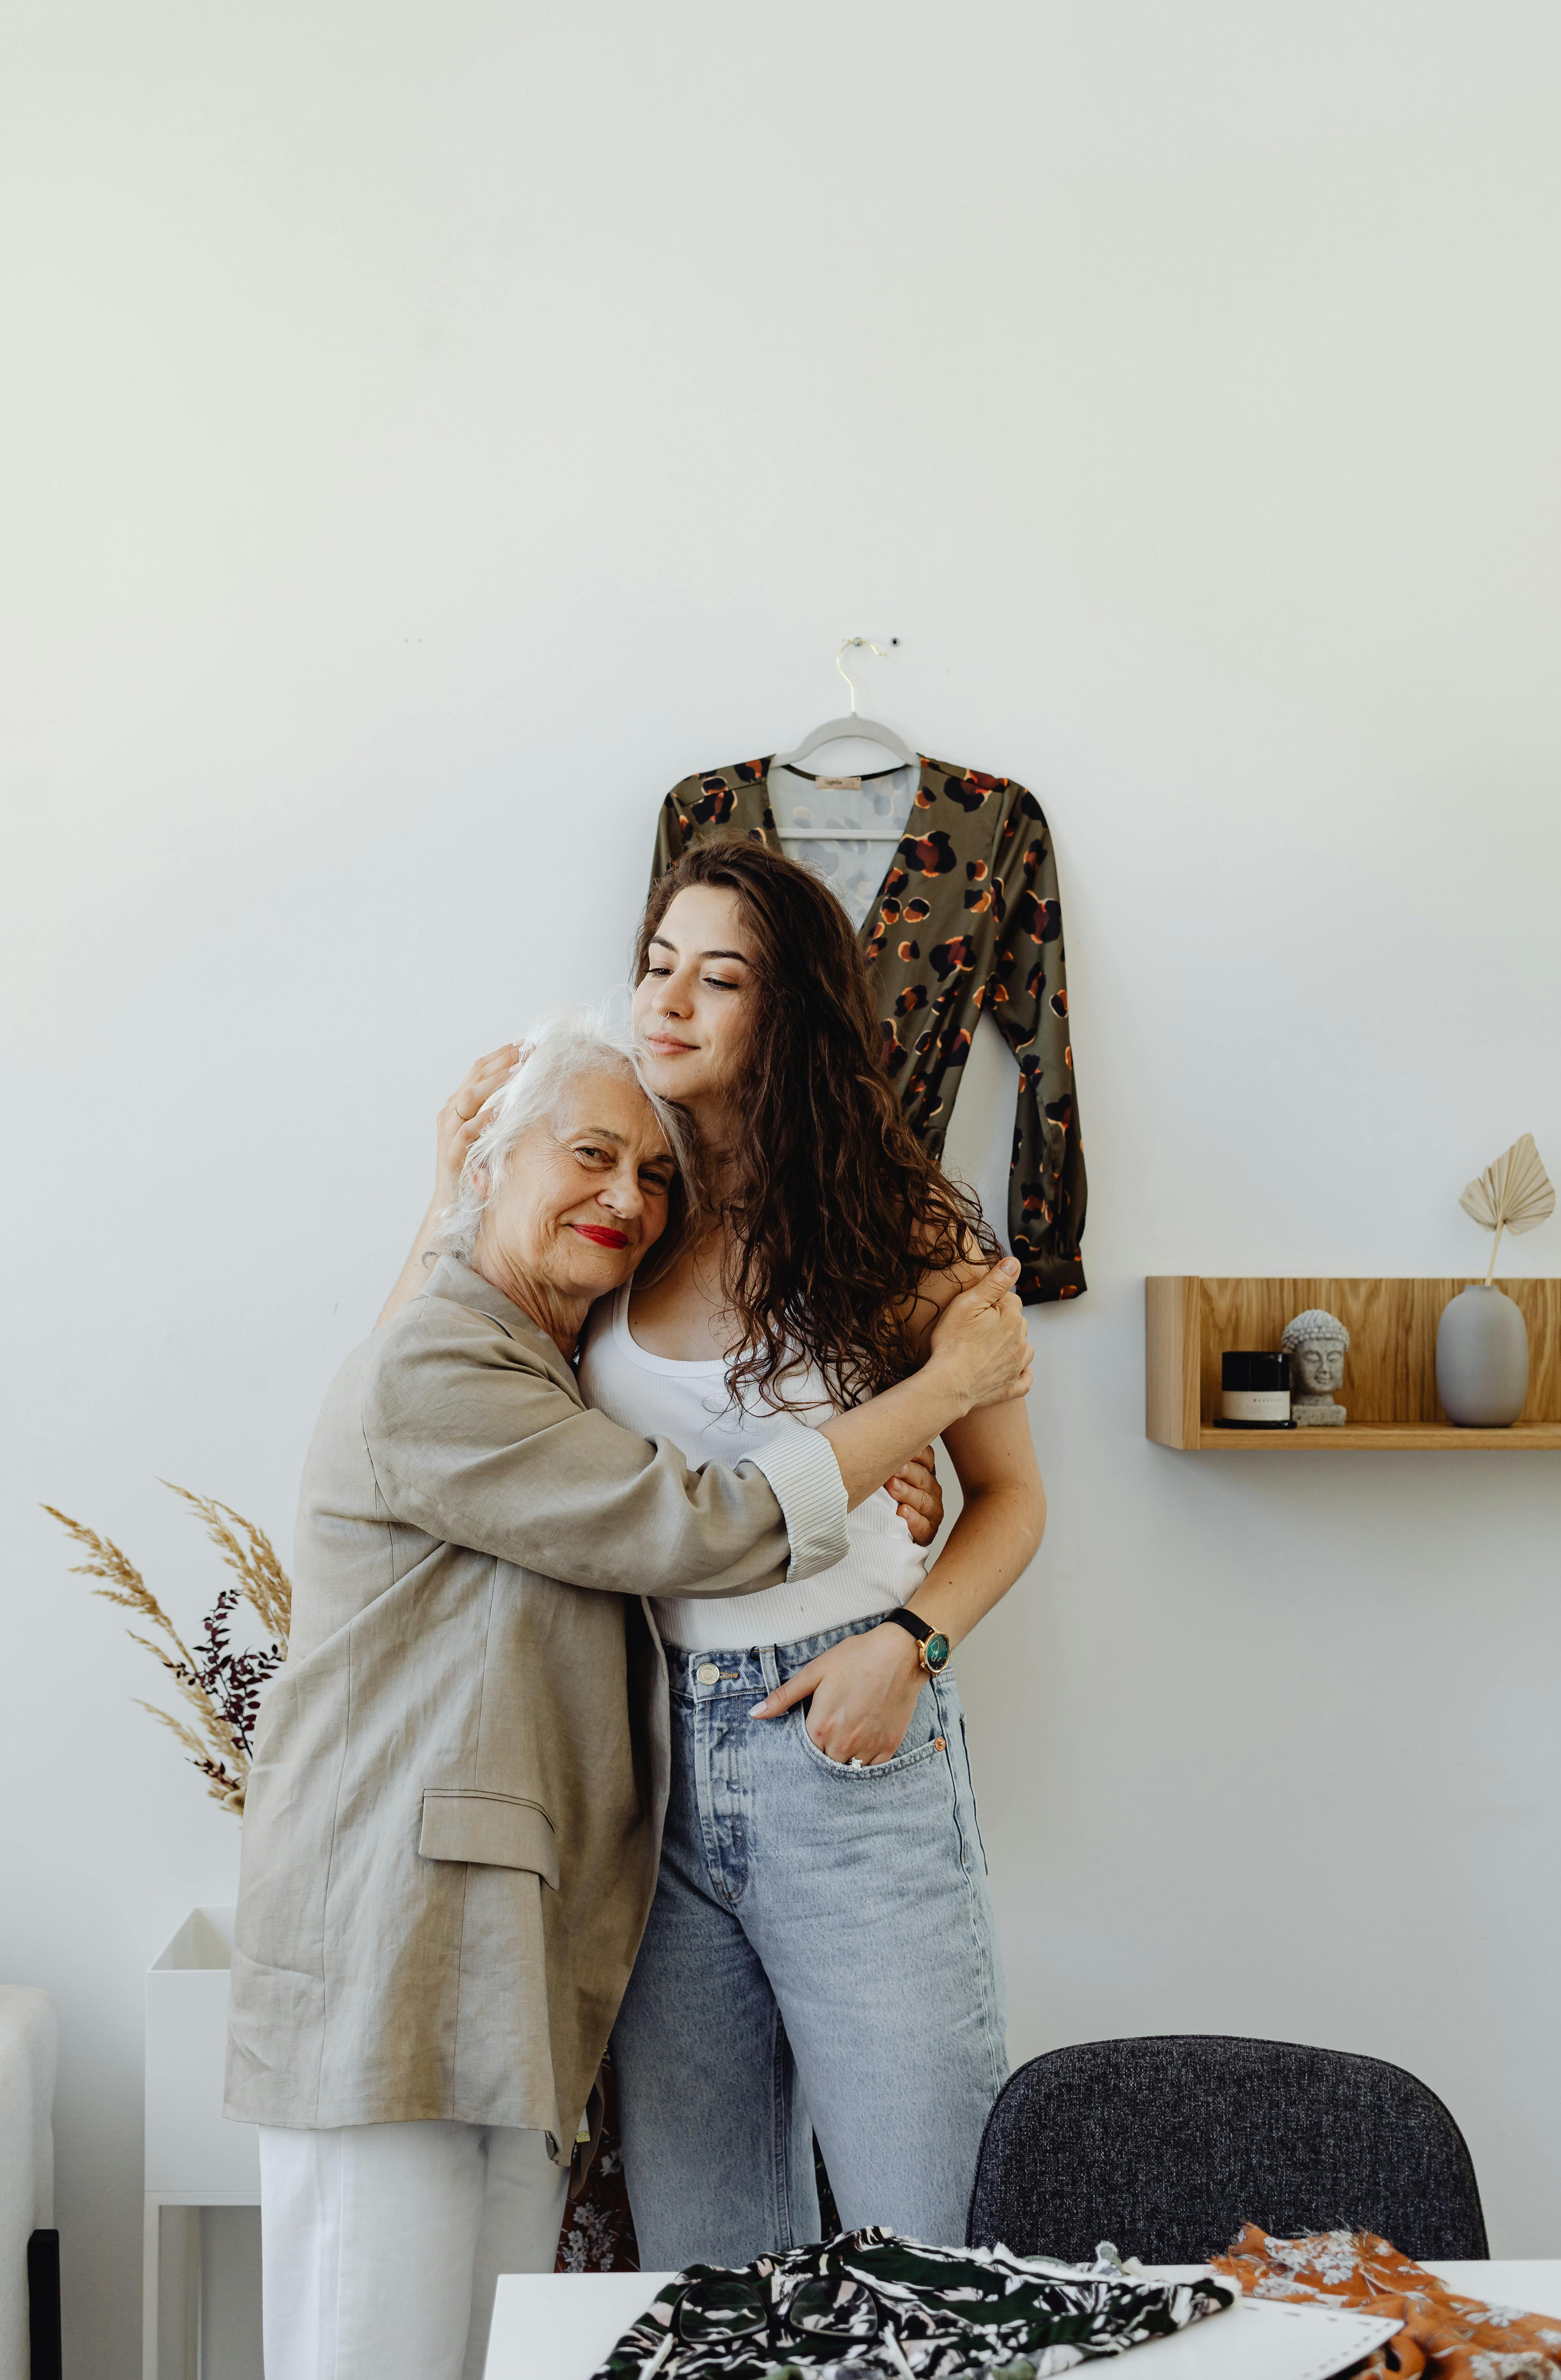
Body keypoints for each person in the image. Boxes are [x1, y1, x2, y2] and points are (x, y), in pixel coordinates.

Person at [230, 1010, 1031, 2380]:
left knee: (492, 2341)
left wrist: (878, 1494)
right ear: (491, 1160)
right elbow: (693, 1522)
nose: (629, 1197)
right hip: (392, 1963)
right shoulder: (444, 1363)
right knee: (377, 2347)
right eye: (592, 1154)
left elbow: (698, 1448)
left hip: (502, 1961)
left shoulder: (548, 1358)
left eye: (658, 1177)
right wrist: (937, 1394)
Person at [395, 841, 1047, 2269]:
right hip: (645, 1762)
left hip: (848, 1746)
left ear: (794, 1008)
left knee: (922, 2236)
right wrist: (453, 1178)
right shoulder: (631, 1210)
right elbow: (445, 1387)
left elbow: (1007, 1500)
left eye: (721, 974)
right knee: (710, 2258)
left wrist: (909, 1644)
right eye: (657, 964)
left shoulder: (905, 1227)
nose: (669, 997)